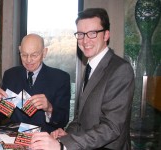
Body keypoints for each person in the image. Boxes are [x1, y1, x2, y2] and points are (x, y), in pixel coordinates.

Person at [30, 8, 135, 150]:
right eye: (80, 34)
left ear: (106, 35)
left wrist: (63, 146)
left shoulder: (120, 69)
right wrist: (67, 134)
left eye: (92, 33)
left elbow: (111, 127)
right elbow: (80, 118)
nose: (85, 40)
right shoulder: (90, 68)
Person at [0, 33, 71, 133]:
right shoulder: (10, 75)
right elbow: (0, 117)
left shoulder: (60, 78)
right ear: (19, 51)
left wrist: (49, 108)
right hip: (14, 140)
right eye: (24, 55)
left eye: (34, 55)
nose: (28, 60)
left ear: (44, 52)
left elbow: (63, 121)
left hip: (45, 139)